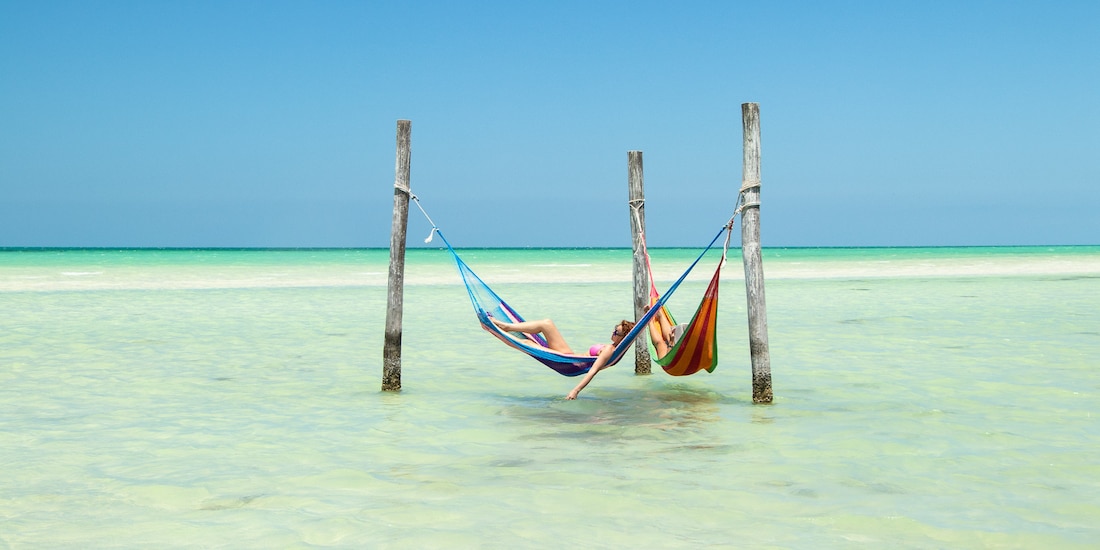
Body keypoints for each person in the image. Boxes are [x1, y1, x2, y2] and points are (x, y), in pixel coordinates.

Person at [491, 317, 635, 400]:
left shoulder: (609, 350)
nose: (613, 332)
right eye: (614, 329)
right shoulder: (613, 347)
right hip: (569, 356)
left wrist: (576, 390)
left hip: (569, 364)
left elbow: (593, 371)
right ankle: (507, 326)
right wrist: (649, 312)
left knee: (527, 343)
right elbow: (637, 329)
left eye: (617, 332)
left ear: (622, 338)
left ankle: (496, 331)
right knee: (546, 323)